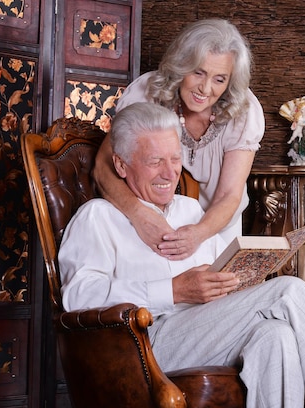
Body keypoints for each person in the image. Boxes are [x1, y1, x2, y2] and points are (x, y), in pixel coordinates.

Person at [59, 102, 305, 408]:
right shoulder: (98, 216)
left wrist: (244, 277)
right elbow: (78, 296)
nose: (169, 172)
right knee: (290, 291)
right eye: (154, 162)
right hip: (143, 348)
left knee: (277, 337)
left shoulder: (189, 211)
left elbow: (224, 276)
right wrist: (174, 290)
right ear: (121, 166)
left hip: (204, 334)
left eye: (176, 158)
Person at [93, 18, 264, 261]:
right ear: (181, 65)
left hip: (218, 224)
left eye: (219, 79)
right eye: (198, 72)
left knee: (220, 295)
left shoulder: (244, 112)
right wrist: (139, 215)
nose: (205, 89)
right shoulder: (146, 93)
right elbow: (103, 167)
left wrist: (199, 234)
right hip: (150, 217)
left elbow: (229, 195)